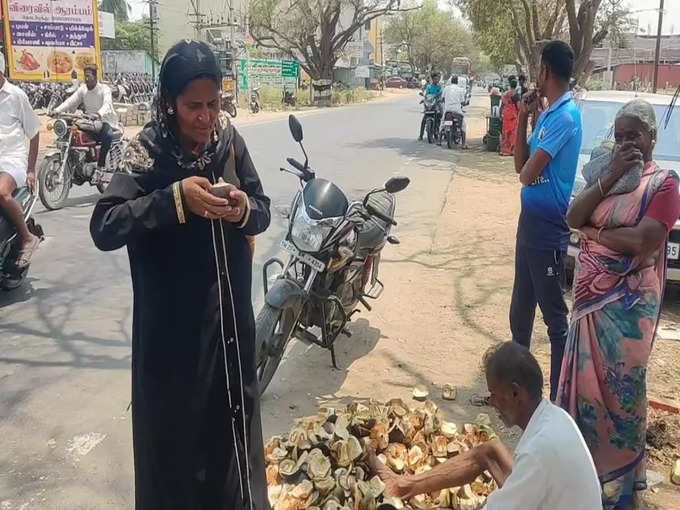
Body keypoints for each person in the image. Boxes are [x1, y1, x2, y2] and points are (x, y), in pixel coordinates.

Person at [89, 40, 271, 509]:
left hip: (230, 334)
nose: (206, 117)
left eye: (213, 104)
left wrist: (242, 209)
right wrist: (173, 202)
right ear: (169, 103)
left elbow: (263, 210)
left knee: (234, 451)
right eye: (193, 106)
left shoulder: (230, 140)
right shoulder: (146, 153)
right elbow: (105, 226)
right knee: (177, 462)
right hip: (174, 349)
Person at [559, 99, 680, 510]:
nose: (627, 143)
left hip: (628, 312)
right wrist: (609, 176)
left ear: (652, 138)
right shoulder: (607, 175)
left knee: (623, 395)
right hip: (591, 307)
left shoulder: (663, 183)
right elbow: (574, 216)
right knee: (585, 394)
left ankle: (620, 491)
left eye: (635, 135)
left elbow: (644, 242)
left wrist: (596, 234)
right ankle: (580, 479)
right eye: (620, 136)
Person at [370, 342, 602, 509]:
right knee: (489, 453)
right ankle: (403, 485)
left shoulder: (538, 452)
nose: (491, 403)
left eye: (493, 394)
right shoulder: (555, 417)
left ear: (515, 392)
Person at [510, 40, 583, 401]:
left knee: (555, 319)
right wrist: (524, 116)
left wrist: (525, 165)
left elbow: (526, 174)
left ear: (544, 71)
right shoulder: (549, 114)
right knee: (520, 309)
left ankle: (557, 398)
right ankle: (517, 389)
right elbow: (518, 165)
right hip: (529, 223)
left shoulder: (566, 117)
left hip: (548, 228)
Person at [0, 51, 41, 268]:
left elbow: (34, 134)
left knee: (1, 192)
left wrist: (31, 170)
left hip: (11, 159)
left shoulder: (16, 96)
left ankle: (27, 237)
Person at [54, 64, 120, 173]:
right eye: (85, 76)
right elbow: (71, 101)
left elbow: (107, 104)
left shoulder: (104, 89)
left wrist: (98, 114)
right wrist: (57, 110)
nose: (86, 78)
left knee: (107, 135)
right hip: (90, 121)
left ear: (95, 76)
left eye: (89, 76)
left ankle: (100, 166)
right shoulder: (83, 89)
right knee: (72, 129)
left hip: (105, 121)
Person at [441, 75, 468, 149]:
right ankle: (463, 144)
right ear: (457, 82)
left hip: (447, 110)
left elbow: (442, 99)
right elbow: (462, 102)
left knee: (442, 123)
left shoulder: (446, 88)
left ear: (451, 81)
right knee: (463, 126)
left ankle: (439, 141)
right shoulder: (460, 90)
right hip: (457, 110)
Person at [418, 71, 443, 141]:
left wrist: (440, 99)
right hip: (430, 104)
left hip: (438, 103)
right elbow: (426, 95)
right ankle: (421, 135)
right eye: (435, 79)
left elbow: (441, 94)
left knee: (441, 116)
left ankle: (441, 133)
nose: (436, 80)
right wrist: (424, 99)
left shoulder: (440, 87)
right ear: (432, 79)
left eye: (437, 79)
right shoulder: (429, 87)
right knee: (424, 119)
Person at [500, 76, 519, 156]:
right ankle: (512, 150)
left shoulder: (505, 94)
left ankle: (504, 150)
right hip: (513, 116)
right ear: (516, 85)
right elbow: (518, 106)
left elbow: (502, 105)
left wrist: (501, 114)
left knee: (505, 132)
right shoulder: (516, 95)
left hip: (506, 115)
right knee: (513, 133)